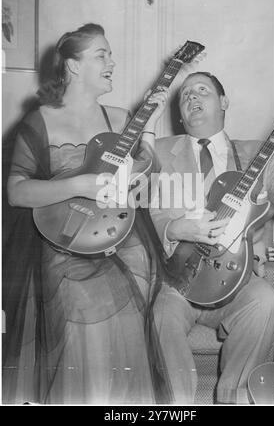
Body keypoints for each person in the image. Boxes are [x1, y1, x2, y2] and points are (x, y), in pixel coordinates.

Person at [2, 23, 173, 404]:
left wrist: (150, 126)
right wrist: (77, 185)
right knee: (80, 307)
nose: (113, 62)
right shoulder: (40, 120)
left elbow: (141, 175)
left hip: (117, 242)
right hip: (61, 242)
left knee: (136, 289)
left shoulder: (118, 116)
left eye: (110, 54)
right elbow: (15, 192)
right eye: (102, 55)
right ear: (74, 66)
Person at [150, 71, 274, 404]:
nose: (191, 98)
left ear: (223, 102)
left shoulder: (258, 154)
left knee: (265, 303)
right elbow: (138, 206)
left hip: (237, 278)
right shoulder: (158, 151)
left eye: (201, 90)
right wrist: (174, 229)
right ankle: (178, 406)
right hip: (175, 280)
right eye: (185, 95)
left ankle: (233, 398)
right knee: (160, 315)